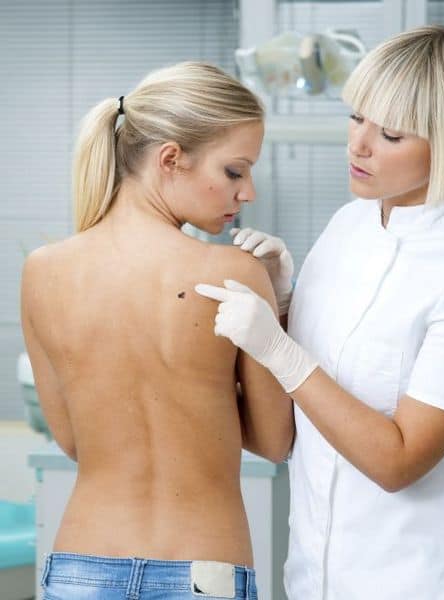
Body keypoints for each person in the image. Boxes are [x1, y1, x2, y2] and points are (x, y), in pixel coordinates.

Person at [195, 25, 444, 600]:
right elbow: (335, 367)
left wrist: (277, 348)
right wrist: (282, 302)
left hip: (426, 579)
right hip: (316, 573)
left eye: (391, 133)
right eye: (357, 118)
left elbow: (397, 462)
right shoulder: (351, 223)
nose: (359, 146)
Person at [20, 61, 294, 600]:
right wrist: (279, 308)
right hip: (203, 572)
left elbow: (74, 441)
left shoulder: (41, 272)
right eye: (235, 171)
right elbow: (274, 440)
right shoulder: (236, 275)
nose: (248, 194)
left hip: (82, 567)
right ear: (171, 158)